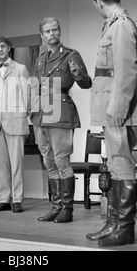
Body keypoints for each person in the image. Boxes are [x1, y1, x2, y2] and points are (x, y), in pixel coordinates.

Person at [86, 0, 137, 247]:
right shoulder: (113, 24)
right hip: (109, 107)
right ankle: (113, 224)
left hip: (116, 108)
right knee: (116, 165)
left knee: (122, 163)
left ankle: (123, 229)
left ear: (99, 2)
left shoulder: (121, 25)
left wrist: (118, 109)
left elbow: (125, 71)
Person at [30, 17, 92, 223]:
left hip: (61, 113)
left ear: (60, 32)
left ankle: (67, 209)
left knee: (62, 160)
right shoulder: (40, 59)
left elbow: (86, 83)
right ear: (42, 35)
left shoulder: (71, 55)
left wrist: (78, 73)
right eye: (47, 31)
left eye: (55, 30)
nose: (52, 34)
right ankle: (56, 207)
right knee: (49, 162)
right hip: (41, 115)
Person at [0, 37, 30, 213]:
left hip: (15, 121)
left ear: (9, 48)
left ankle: (17, 199)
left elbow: (27, 94)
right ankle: (4, 199)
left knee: (17, 162)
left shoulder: (20, 69)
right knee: (1, 163)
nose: (0, 50)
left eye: (3, 46)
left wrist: (23, 115)